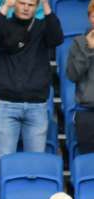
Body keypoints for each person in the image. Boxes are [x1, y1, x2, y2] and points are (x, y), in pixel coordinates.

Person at [0, 0, 63, 169]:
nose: (26, 8)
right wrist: (5, 6)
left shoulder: (42, 27)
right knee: (3, 165)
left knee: (35, 166)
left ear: (37, 7)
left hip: (37, 106)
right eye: (22, 3)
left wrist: (46, 5)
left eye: (31, 4)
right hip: (6, 105)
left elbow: (57, 38)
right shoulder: (2, 25)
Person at [67, 1, 94, 155]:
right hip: (86, 113)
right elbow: (72, 75)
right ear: (89, 18)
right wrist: (88, 50)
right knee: (89, 161)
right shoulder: (79, 43)